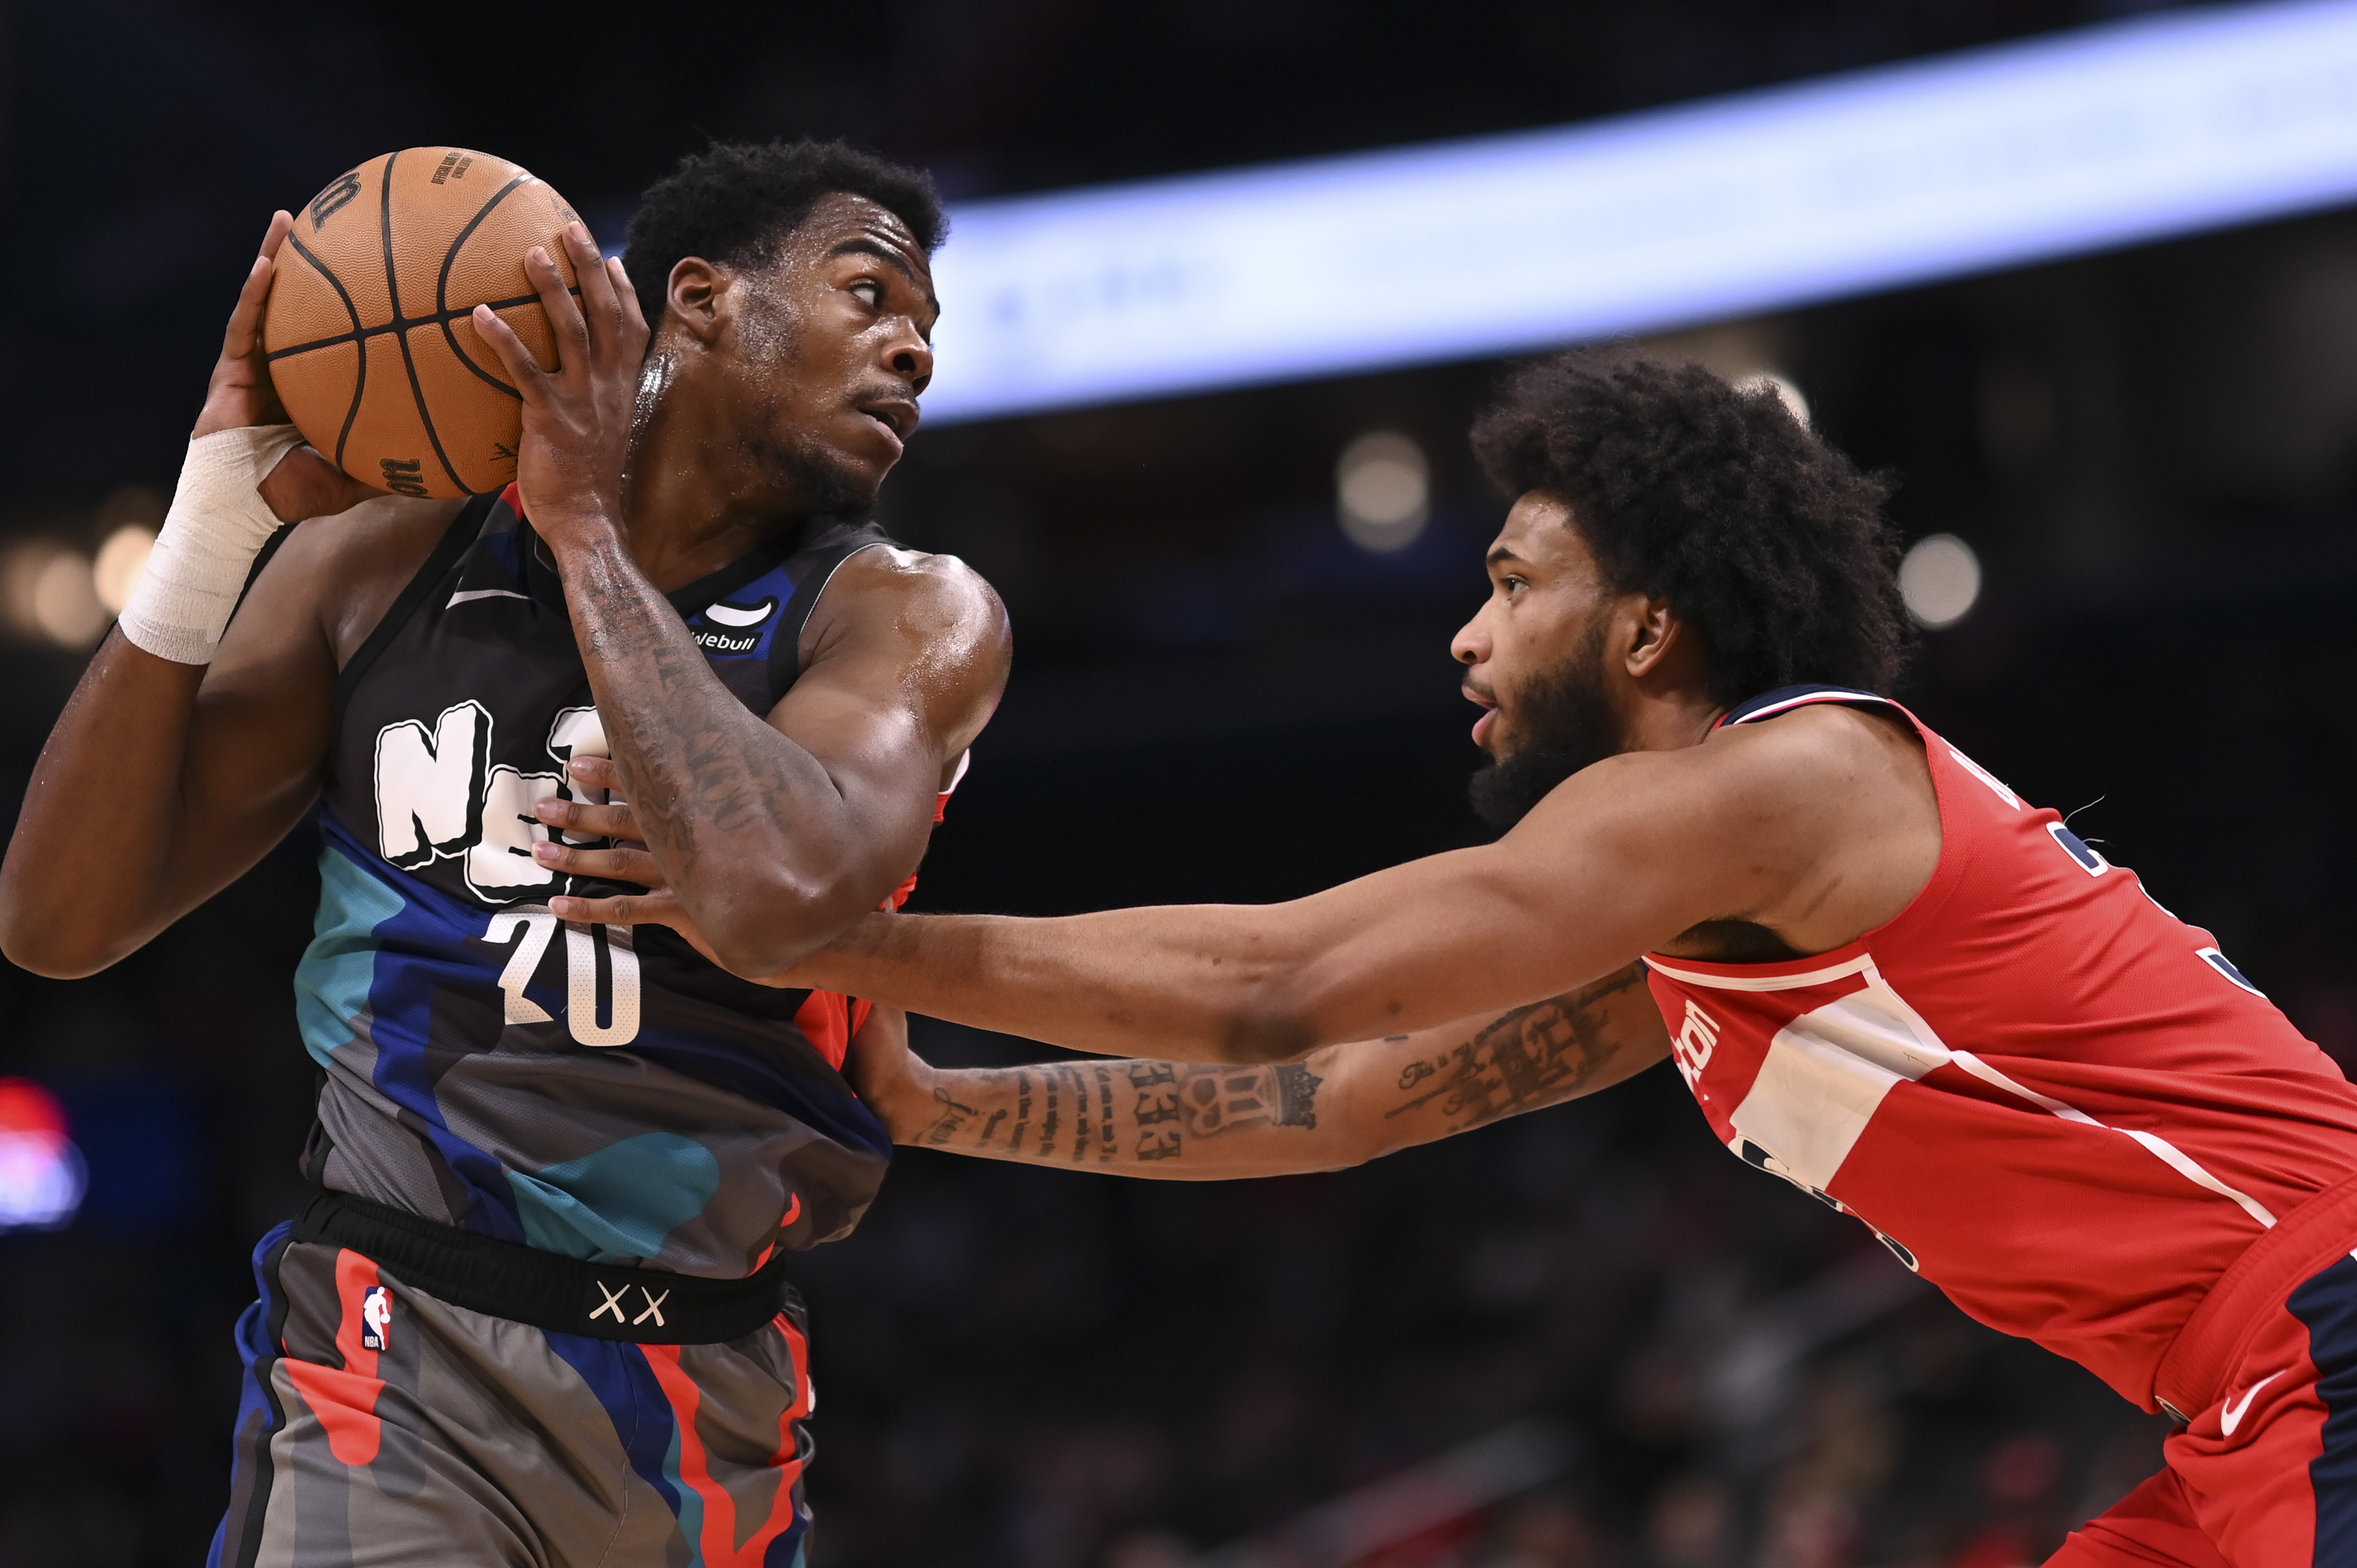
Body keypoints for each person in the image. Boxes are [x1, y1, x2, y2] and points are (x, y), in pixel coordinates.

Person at [541, 350, 2357, 1567]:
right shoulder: (1715, 915)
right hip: (2242, 1398)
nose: (1466, 634)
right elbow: (1335, 1099)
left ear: (1647, 623)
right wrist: (933, 1100)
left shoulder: (1785, 779)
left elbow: (1291, 978)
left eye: (1510, 579)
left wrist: (813, 917)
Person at [0, 139, 1009, 1567]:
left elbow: (780, 891)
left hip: (706, 1388)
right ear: (702, 300)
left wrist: (586, 527)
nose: (913, 350)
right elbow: (54, 917)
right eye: (871, 294)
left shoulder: (904, 617)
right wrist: (206, 534)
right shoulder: (384, 559)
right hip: (396, 1348)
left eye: (928, 330)